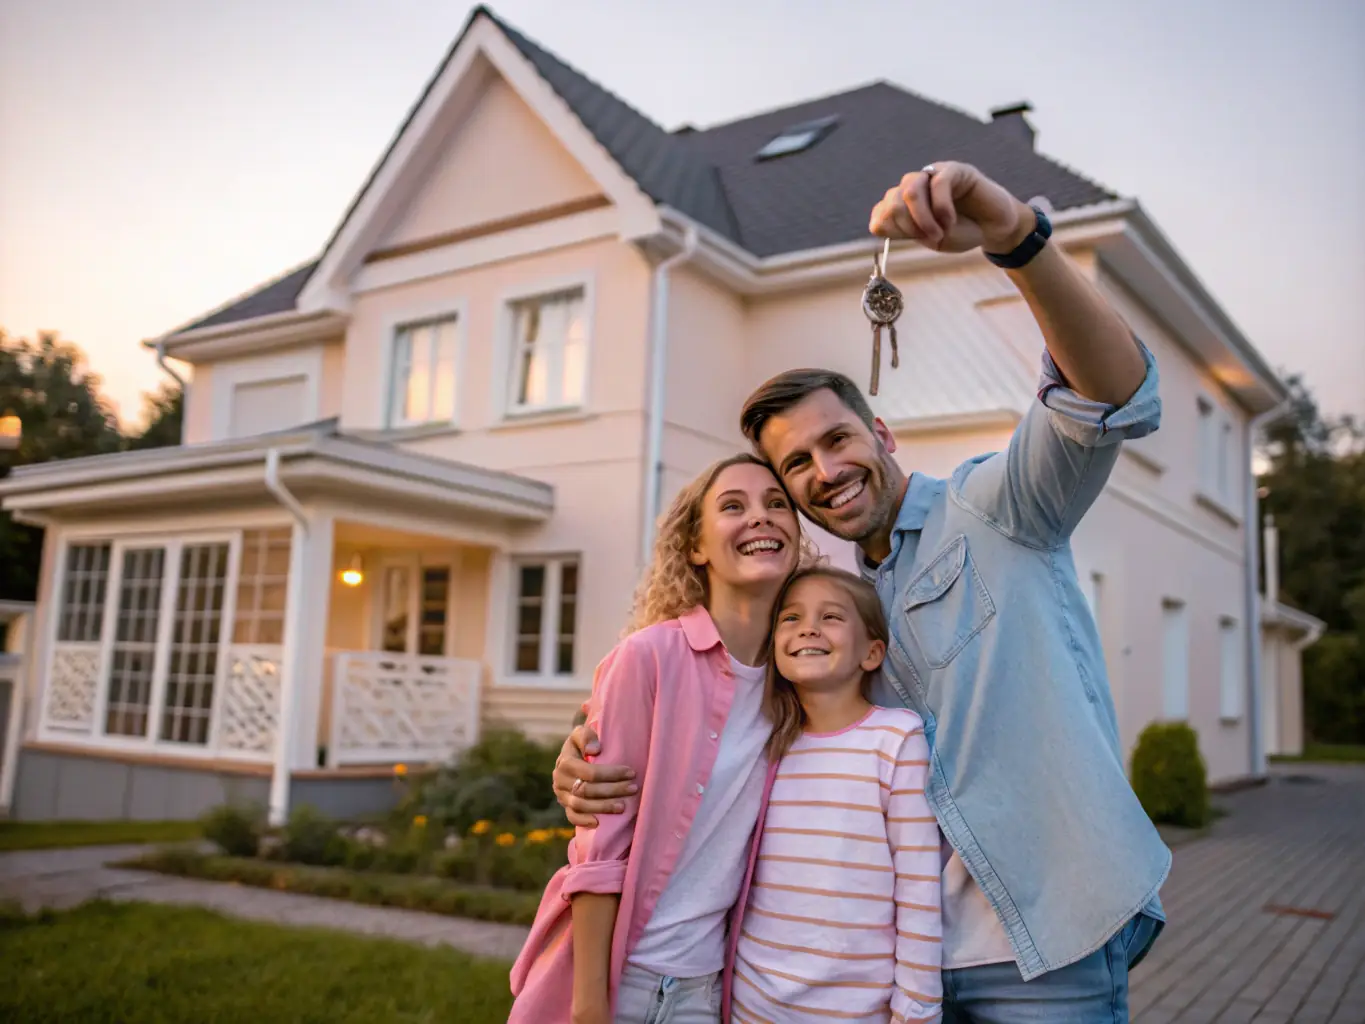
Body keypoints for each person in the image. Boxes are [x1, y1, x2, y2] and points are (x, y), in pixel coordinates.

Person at [552, 160, 1170, 1022]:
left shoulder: (993, 509)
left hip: (1041, 943)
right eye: (793, 466)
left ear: (878, 432)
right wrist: (592, 763)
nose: (824, 471)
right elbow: (724, 734)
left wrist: (1012, 237)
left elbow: (1112, 396)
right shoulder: (819, 604)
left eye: (836, 440)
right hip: (890, 964)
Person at [509, 454, 803, 1024]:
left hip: (712, 986)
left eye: (776, 505)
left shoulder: (798, 679)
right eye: (733, 507)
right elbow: (599, 848)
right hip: (629, 980)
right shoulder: (648, 659)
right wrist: (592, 1006)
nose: (761, 518)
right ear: (696, 546)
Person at [732, 566, 941, 1023]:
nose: (808, 627)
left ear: (872, 653)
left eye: (830, 617)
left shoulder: (896, 739)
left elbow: (919, 887)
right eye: (790, 618)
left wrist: (918, 1006)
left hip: (856, 1009)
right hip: (753, 1002)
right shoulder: (763, 742)